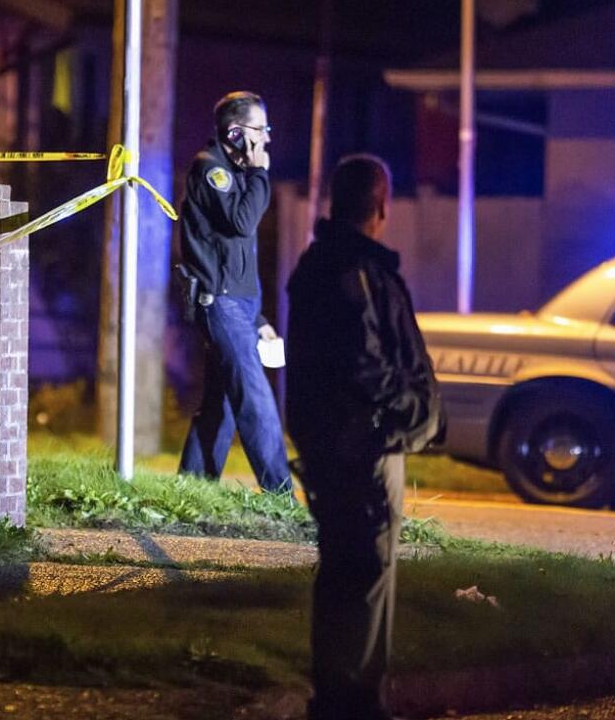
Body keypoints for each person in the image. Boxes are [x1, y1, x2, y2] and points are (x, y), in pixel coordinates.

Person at [285, 153, 443, 720]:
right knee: (363, 577)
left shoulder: (328, 265)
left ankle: (348, 699)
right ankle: (352, 704)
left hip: (347, 446)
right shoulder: (351, 272)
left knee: (353, 576)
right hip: (364, 451)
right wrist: (411, 411)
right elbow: (364, 365)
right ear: (380, 204)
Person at [177, 90, 292, 494]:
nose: (267, 140)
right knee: (255, 399)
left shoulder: (237, 176)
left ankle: (191, 489)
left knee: (220, 406)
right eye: (261, 130)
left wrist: (258, 319)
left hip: (240, 306)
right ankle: (280, 498)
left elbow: (236, 252)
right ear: (236, 133)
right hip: (220, 304)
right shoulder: (213, 171)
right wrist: (261, 173)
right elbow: (242, 223)